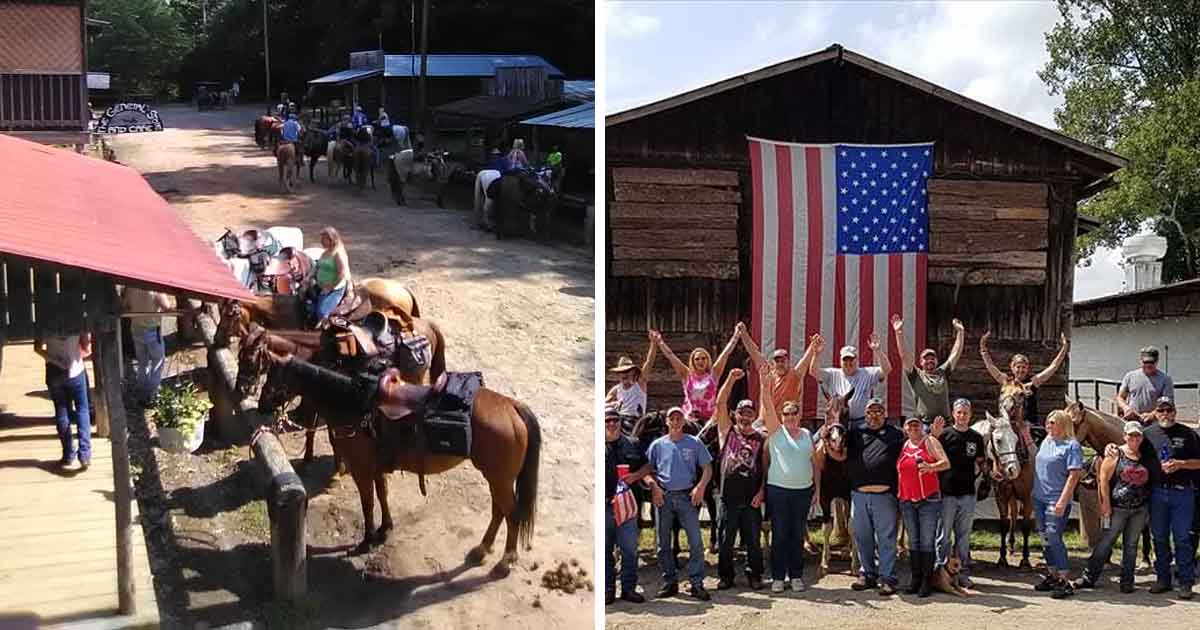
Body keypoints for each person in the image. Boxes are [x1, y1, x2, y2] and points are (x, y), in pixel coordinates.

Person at [629, 406, 713, 601]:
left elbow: (707, 468)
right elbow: (648, 468)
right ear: (667, 422)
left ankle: (696, 582)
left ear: (683, 421)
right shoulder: (658, 445)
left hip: (686, 496)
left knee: (696, 541)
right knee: (662, 543)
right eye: (671, 419)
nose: (675, 422)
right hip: (664, 496)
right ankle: (670, 581)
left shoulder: (694, 443)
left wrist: (700, 487)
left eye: (678, 418)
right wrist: (650, 484)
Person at [824, 397, 904, 595]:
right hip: (859, 495)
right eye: (870, 412)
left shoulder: (896, 434)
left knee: (885, 538)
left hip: (884, 495)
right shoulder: (855, 433)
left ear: (884, 414)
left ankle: (887, 577)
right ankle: (867, 574)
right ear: (865, 414)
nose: (874, 415)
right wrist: (828, 444)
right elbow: (840, 455)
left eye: (878, 411)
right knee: (862, 537)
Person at [760, 363, 820, 593]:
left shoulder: (806, 434)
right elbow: (767, 404)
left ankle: (795, 576)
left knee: (796, 535)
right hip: (778, 491)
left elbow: (815, 463)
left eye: (794, 413)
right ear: (781, 416)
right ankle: (777, 576)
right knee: (780, 534)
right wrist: (765, 386)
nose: (790, 417)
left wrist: (818, 489)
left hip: (803, 491)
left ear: (799, 414)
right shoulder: (775, 431)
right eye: (786, 413)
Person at [1074, 420, 1152, 593]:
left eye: (1137, 435)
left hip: (1140, 508)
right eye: (1131, 435)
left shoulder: (1146, 455)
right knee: (1106, 542)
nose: (1134, 438)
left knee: (1131, 545)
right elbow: (1103, 479)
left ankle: (1127, 580)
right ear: (1124, 436)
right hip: (1118, 508)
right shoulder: (1115, 453)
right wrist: (1106, 504)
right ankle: (1089, 576)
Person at [712, 367, 767, 591]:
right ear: (735, 414)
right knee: (726, 540)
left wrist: (761, 492)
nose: (745, 417)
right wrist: (731, 381)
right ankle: (726, 576)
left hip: (751, 499)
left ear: (754, 417)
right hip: (728, 498)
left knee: (753, 542)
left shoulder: (761, 438)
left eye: (749, 414)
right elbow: (719, 403)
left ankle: (754, 575)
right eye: (742, 413)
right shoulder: (727, 432)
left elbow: (765, 468)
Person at [1140, 396, 1200, 599]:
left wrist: (1181, 464)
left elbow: (1199, 462)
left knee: (1182, 538)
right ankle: (1163, 579)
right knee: (1159, 537)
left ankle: (1185, 582)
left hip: (1183, 492)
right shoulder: (1147, 434)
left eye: (1169, 410)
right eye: (1161, 411)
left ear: (1175, 411)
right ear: (1155, 413)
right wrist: (1111, 450)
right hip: (1157, 492)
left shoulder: (1188, 433)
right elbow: (1131, 452)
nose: (1165, 414)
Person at [931, 398, 985, 588]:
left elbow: (980, 461)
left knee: (963, 537)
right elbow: (931, 454)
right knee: (944, 535)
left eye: (965, 413)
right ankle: (940, 572)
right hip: (947, 493)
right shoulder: (944, 435)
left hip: (968, 494)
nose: (962, 416)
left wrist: (991, 471)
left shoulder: (976, 438)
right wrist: (934, 436)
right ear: (953, 414)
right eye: (959, 412)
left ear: (970, 415)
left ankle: (962, 573)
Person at [1032, 409, 1085, 599]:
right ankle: (1052, 574)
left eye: (1053, 422)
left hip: (1056, 498)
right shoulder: (1046, 441)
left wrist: (1063, 500)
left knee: (1054, 536)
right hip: (1039, 498)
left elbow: (1074, 476)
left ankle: (1064, 578)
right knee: (1044, 538)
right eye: (1048, 422)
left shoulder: (1072, 446)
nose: (1049, 425)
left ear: (1063, 424)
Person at [897, 416, 950, 597]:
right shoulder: (904, 446)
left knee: (927, 540)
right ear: (905, 428)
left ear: (922, 427)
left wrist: (931, 467)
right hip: (907, 499)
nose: (913, 428)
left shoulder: (930, 441)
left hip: (928, 499)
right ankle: (915, 578)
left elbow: (945, 462)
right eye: (910, 425)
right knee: (913, 541)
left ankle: (927, 580)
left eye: (916, 425)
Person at [979, 331, 1069, 431]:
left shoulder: (1033, 382)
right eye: (1018, 367)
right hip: (1007, 426)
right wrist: (983, 347)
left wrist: (1064, 348)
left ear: (1027, 368)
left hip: (1029, 426)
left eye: (1024, 367)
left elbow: (1053, 367)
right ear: (1012, 367)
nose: (1021, 370)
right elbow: (990, 366)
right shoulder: (1006, 381)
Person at [651, 326, 739, 423]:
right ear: (693, 362)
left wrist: (736, 335)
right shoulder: (686, 374)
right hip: (689, 419)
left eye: (703, 358)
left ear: (708, 360)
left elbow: (726, 353)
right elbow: (671, 356)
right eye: (697, 359)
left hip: (710, 420)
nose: (700, 361)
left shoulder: (714, 374)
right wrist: (660, 342)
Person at [891, 315, 965, 428]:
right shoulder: (916, 375)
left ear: (936, 360)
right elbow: (904, 355)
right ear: (920, 362)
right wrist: (898, 332)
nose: (929, 360)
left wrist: (960, 332)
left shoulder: (943, 372)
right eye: (926, 358)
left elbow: (955, 354)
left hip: (946, 424)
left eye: (932, 358)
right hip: (925, 425)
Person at [605, 408, 647, 605]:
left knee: (630, 550)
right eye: (607, 421)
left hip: (628, 506)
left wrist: (636, 476)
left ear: (620, 422)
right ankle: (608, 589)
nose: (611, 424)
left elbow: (648, 466)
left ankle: (629, 589)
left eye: (615, 420)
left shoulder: (633, 443)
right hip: (605, 505)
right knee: (605, 550)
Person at [34, 332, 93, 469]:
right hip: (76, 370)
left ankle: (68, 454)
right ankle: (84, 454)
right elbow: (86, 348)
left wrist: (55, 360)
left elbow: (37, 348)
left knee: (61, 412)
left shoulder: (44, 321)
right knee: (82, 411)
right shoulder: (77, 320)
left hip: (54, 371)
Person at [809, 332, 892, 426]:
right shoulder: (832, 373)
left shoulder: (867, 373)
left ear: (857, 360)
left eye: (851, 360)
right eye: (845, 360)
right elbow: (813, 371)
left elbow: (887, 369)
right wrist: (816, 354)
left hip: (861, 422)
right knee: (815, 439)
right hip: (836, 422)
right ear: (840, 361)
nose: (848, 363)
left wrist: (878, 350)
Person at [738, 326, 819, 418]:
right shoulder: (767, 373)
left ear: (788, 362)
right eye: (777, 361)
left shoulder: (794, 376)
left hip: (786, 423)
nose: (780, 364)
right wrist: (744, 334)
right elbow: (754, 353)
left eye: (782, 361)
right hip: (766, 424)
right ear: (773, 363)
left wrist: (813, 345)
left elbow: (805, 362)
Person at [120, 287, 174, 404]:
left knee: (142, 362)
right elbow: (167, 307)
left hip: (136, 329)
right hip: (152, 331)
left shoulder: (130, 288)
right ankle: (151, 393)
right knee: (158, 361)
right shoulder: (155, 290)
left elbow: (125, 306)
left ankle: (142, 390)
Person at [606, 333, 655, 425]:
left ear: (633, 372)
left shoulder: (640, 384)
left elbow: (649, 361)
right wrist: (613, 404)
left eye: (627, 371)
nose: (625, 374)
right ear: (618, 374)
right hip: (620, 420)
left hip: (637, 421)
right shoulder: (616, 389)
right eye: (622, 372)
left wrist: (653, 343)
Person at [1116, 346, 1175, 422]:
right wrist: (1126, 408)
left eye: (1151, 362)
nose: (1148, 365)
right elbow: (1120, 397)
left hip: (1154, 422)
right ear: (1141, 361)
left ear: (1157, 361)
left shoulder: (1166, 379)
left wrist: (1152, 415)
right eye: (1145, 362)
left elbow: (1168, 403)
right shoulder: (1130, 376)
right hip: (1133, 421)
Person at [311, 227, 352, 325]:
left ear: (331, 239)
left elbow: (342, 273)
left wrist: (331, 287)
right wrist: (309, 277)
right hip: (321, 286)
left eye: (323, 239)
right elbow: (317, 267)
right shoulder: (325, 252)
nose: (321, 241)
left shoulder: (338, 254)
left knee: (322, 312)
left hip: (334, 289)